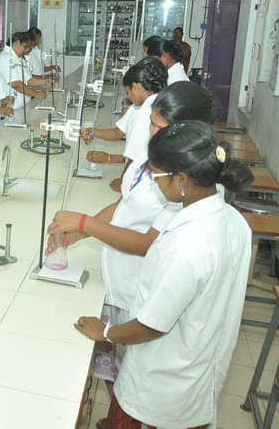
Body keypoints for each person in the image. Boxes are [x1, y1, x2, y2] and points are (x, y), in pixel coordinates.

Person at [47, 81, 219, 417]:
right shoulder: (153, 152)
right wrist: (82, 234)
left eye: (158, 125)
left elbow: (148, 243)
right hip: (119, 277)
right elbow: (125, 203)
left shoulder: (184, 180)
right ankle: (116, 416)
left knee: (133, 372)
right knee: (117, 374)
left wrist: (85, 223)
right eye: (151, 122)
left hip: (141, 288)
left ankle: (122, 418)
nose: (150, 129)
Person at [74, 121, 253, 429]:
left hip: (161, 383)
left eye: (156, 175)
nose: (154, 183)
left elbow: (151, 325)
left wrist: (104, 332)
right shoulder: (233, 221)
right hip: (198, 368)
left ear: (181, 178)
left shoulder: (188, 244)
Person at [82, 57, 167, 169]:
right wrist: (92, 132)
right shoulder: (141, 105)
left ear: (136, 87)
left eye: (128, 92)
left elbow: (135, 159)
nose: (129, 97)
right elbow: (118, 132)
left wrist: (121, 182)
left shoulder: (146, 114)